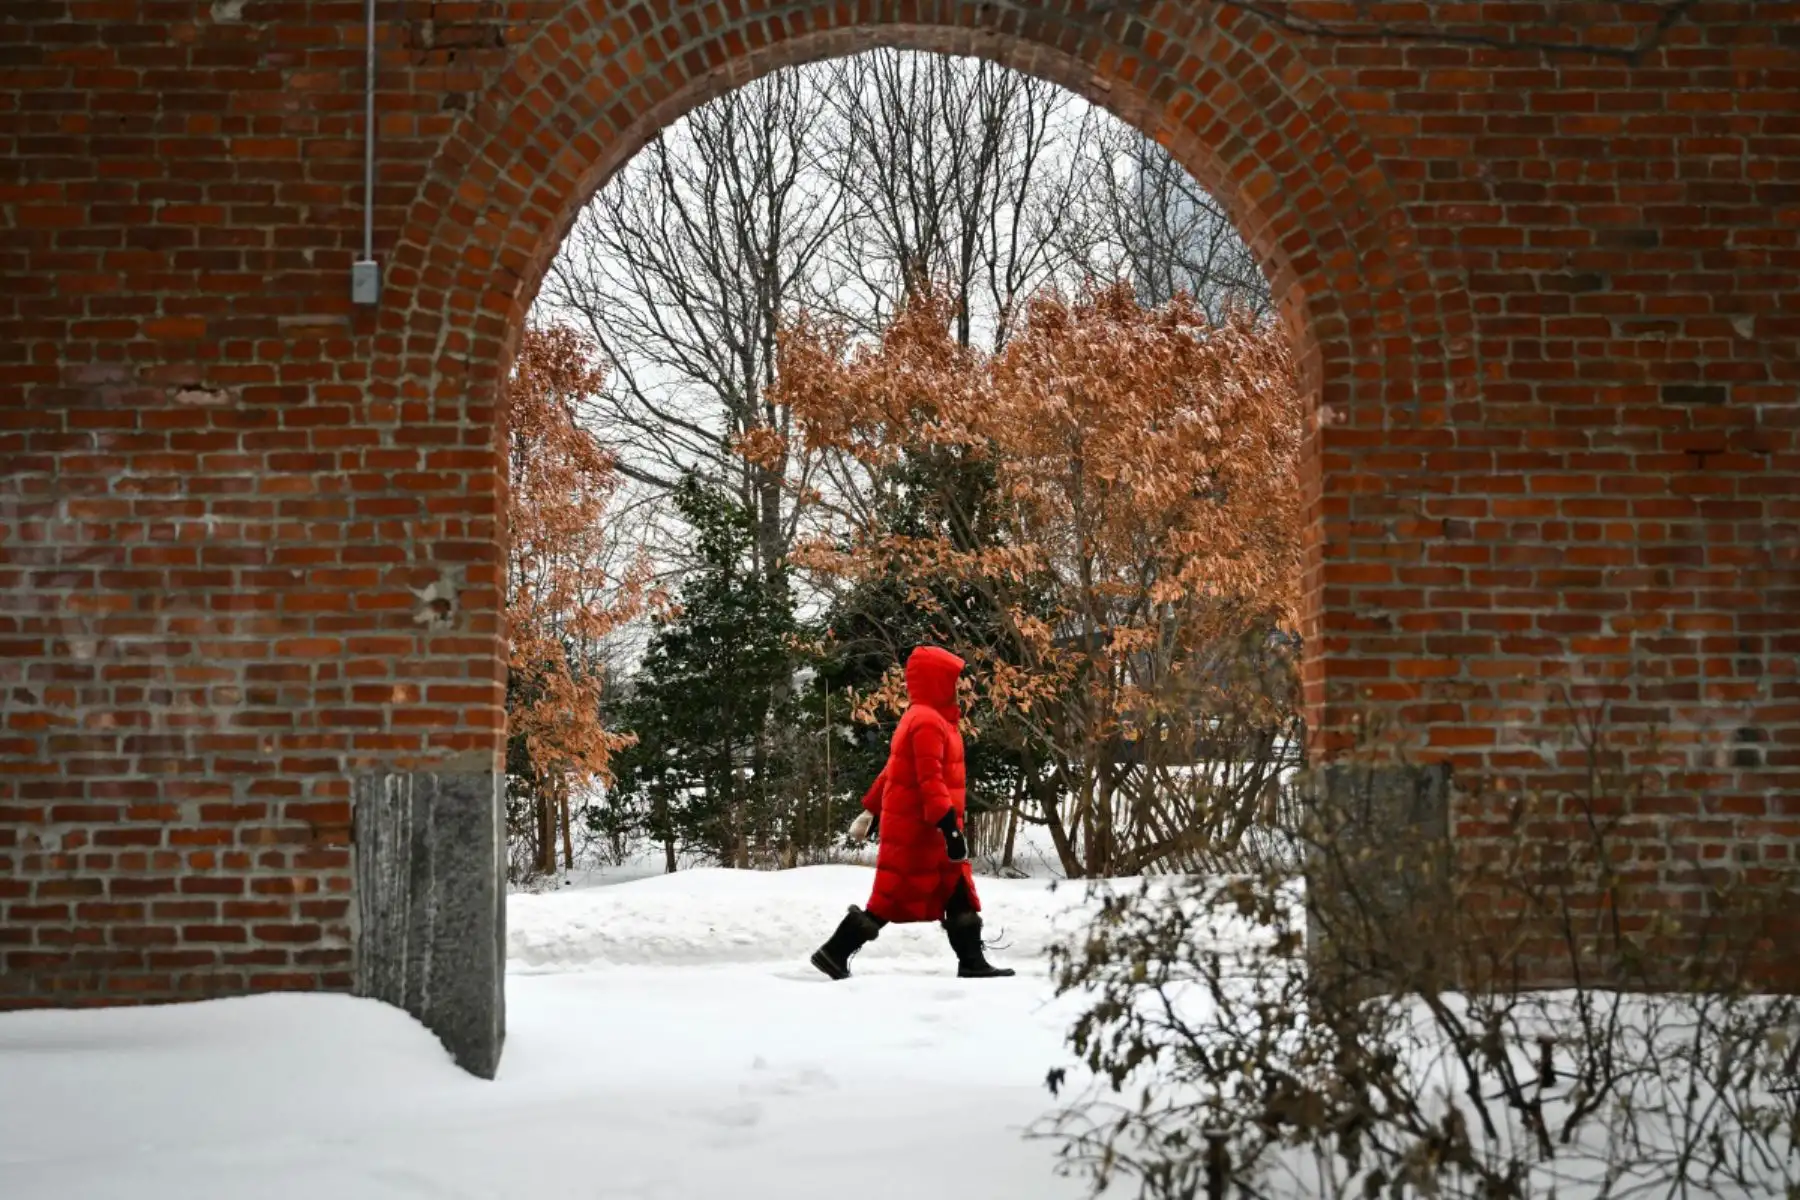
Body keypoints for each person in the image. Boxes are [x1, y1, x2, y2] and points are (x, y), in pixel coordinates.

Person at [810, 645, 1014, 981]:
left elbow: (893, 770)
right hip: (921, 829)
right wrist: (949, 828)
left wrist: (870, 810)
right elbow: (929, 779)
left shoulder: (929, 718)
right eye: (952, 680)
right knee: (890, 898)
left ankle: (972, 962)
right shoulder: (927, 721)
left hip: (927, 825)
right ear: (935, 681)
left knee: (957, 890)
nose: (958, 687)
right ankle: (834, 952)